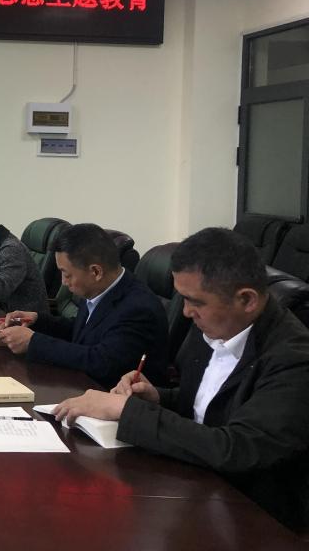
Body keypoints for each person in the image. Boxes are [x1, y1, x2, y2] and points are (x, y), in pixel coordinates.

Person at [53, 228, 309, 532]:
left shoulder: (294, 359)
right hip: (194, 484)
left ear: (247, 299)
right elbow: (206, 409)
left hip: (255, 518)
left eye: (194, 301)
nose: (186, 312)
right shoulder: (216, 325)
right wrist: (157, 397)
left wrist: (126, 410)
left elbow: (237, 448)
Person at [0, 223, 168, 389]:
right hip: (82, 385)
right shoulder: (102, 288)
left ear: (96, 272)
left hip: (113, 396)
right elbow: (84, 332)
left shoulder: (138, 308)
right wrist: (37, 321)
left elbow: (101, 362)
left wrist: (34, 342)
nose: (63, 282)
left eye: (67, 274)